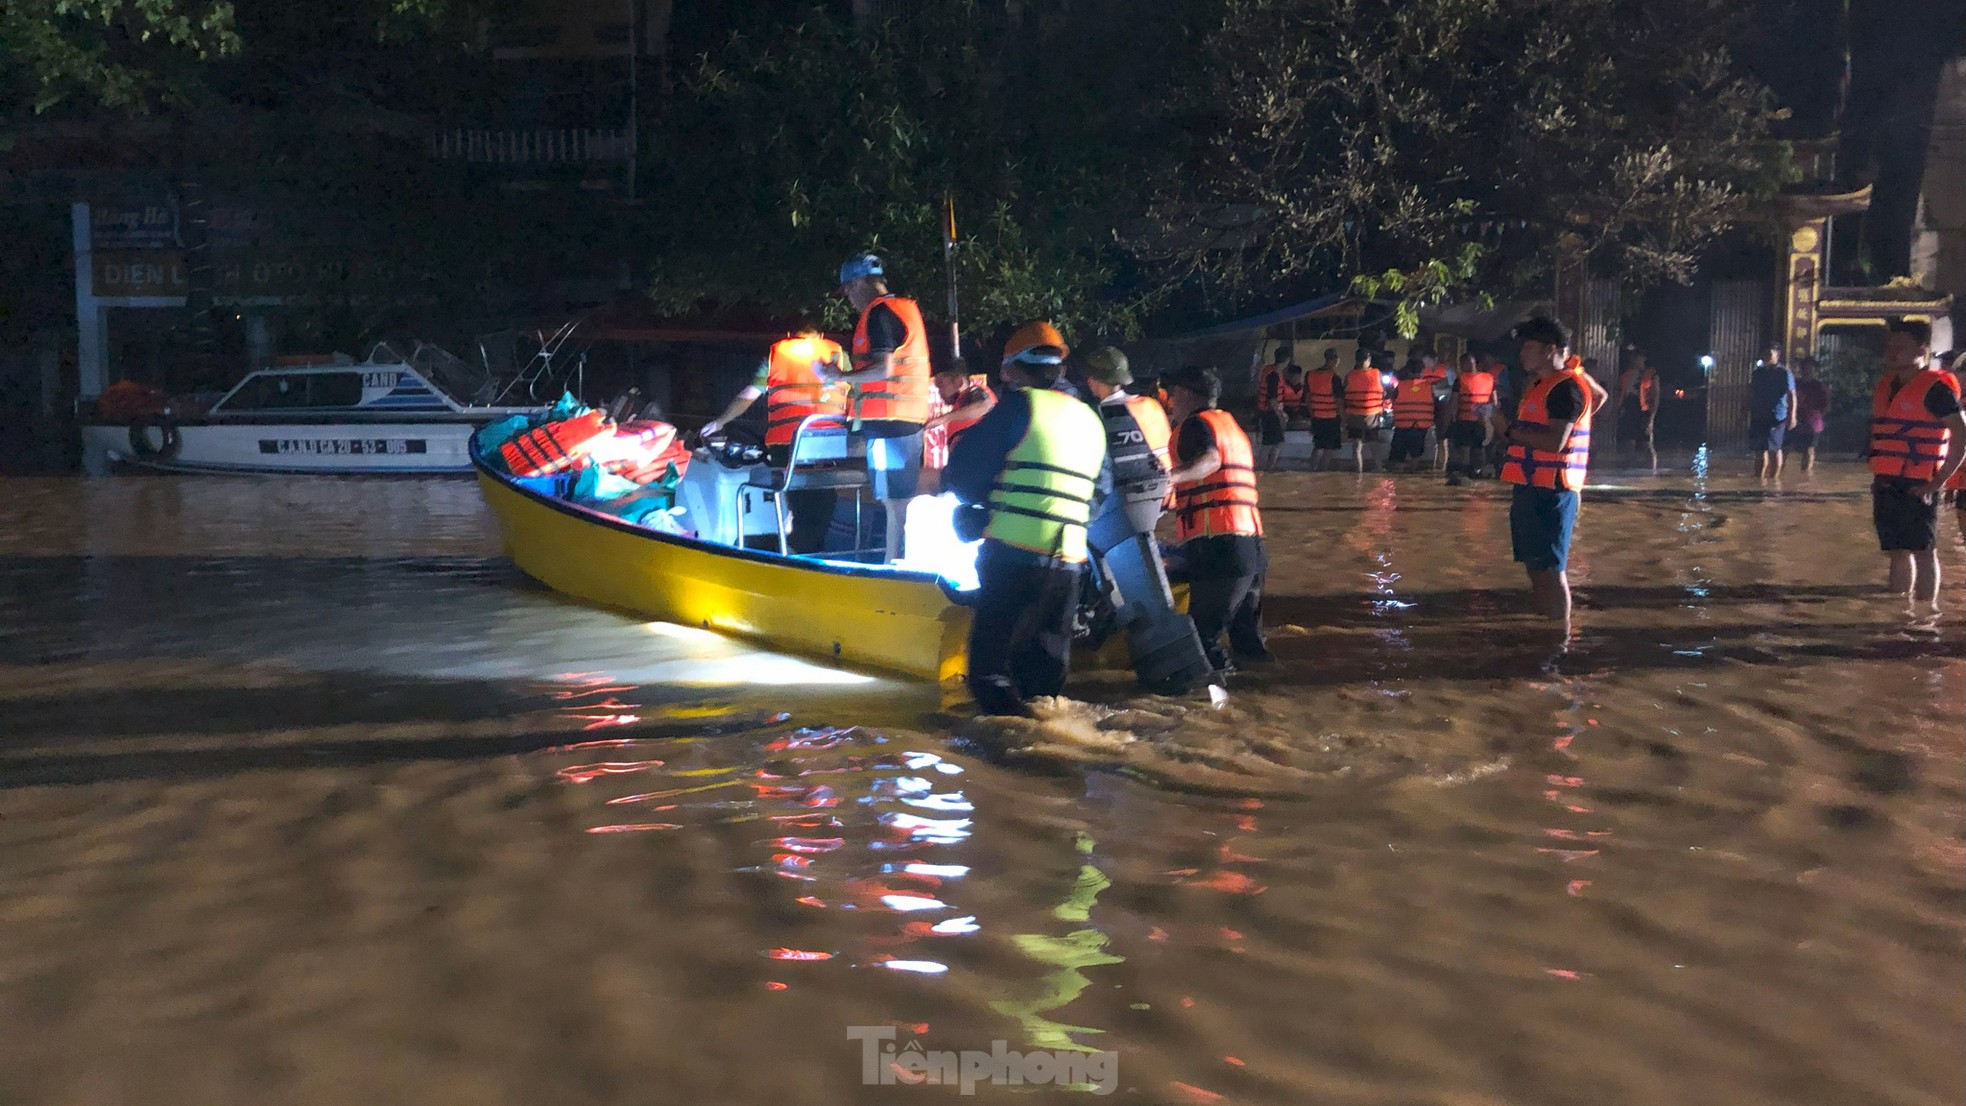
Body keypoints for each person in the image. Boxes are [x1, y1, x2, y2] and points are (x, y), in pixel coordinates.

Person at [943, 332, 1111, 716]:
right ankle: (1046, 760)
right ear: (1061, 369)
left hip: (1012, 560)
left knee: (990, 676)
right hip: (1068, 568)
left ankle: (1008, 758)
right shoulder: (1090, 417)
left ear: (1011, 368)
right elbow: (1098, 496)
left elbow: (965, 473)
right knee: (1044, 686)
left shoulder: (1018, 407)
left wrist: (985, 509)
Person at [1080, 347, 1213, 691]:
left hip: (1120, 507)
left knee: (1100, 559)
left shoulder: (1102, 414)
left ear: (1095, 381)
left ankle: (1158, 656)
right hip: (1158, 502)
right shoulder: (1152, 406)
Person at [1492, 317, 1609, 637]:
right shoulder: (1541, 385)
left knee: (1551, 571)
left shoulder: (1566, 388)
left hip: (1554, 491)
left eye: (1529, 347)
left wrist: (1508, 430)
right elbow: (1599, 398)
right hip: (1530, 486)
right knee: (1535, 566)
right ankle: (1548, 631)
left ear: (1550, 350)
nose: (1522, 353)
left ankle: (1558, 639)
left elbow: (1555, 443)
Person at [818, 252, 933, 562]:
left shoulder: (879, 314)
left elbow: (883, 369)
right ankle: (902, 563)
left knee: (893, 504)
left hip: (887, 424)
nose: (850, 301)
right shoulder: (905, 310)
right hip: (907, 420)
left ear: (857, 283)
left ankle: (894, 569)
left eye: (848, 292)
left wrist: (840, 376)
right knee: (901, 501)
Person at [1162, 366, 1270, 677]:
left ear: (1184, 394)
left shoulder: (1196, 425)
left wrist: (1167, 479)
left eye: (1171, 395)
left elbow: (1210, 460)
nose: (1170, 402)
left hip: (1219, 547)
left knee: (1202, 640)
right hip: (1251, 549)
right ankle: (1265, 700)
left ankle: (1214, 712)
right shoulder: (1230, 425)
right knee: (1248, 646)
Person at [700, 331, 849, 553]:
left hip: (787, 443)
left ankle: (797, 550)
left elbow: (750, 394)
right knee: (822, 500)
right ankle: (810, 549)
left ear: (791, 333)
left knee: (797, 500)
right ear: (819, 333)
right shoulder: (838, 353)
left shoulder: (777, 355)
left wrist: (720, 422)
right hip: (828, 443)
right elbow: (855, 391)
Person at [1867, 318, 1966, 615]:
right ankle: (1898, 616)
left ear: (1922, 349)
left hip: (1919, 483)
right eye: (1890, 346)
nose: (1892, 351)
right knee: (1896, 551)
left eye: (1901, 346)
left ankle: (1925, 620)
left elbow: (1961, 437)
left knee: (1923, 553)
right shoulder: (1887, 384)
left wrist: (1938, 484)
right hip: (1886, 481)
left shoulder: (1936, 389)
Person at [923, 361, 996, 468]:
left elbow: (985, 405)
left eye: (941, 385)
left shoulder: (973, 392)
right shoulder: (961, 409)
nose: (940, 392)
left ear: (958, 382)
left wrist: (943, 419)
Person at [1446, 351, 1495, 484]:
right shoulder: (1489, 378)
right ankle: (1478, 471)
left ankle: (1465, 472)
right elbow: (1494, 402)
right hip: (1482, 421)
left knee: (1465, 448)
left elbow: (1454, 401)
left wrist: (1451, 418)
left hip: (1465, 419)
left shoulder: (1460, 379)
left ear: (1464, 364)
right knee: (1480, 447)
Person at [1749, 344, 1797, 480]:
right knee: (1759, 449)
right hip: (1759, 414)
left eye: (1770, 354)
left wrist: (1792, 415)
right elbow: (1751, 392)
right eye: (1765, 354)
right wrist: (1745, 409)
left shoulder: (1784, 373)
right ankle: (1759, 479)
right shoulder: (1758, 373)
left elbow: (1791, 394)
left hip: (1777, 416)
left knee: (1774, 448)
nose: (1767, 357)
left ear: (1777, 355)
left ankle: (1774, 479)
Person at [1254, 344, 1303, 471]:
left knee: (1274, 443)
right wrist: (1282, 415)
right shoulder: (1274, 375)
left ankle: (1266, 469)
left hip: (1268, 413)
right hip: (1271, 414)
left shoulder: (1269, 370)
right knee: (1270, 444)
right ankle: (1265, 470)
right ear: (1286, 360)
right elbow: (1273, 400)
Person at [1343, 348, 1391, 472]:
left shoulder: (1349, 375)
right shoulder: (1376, 373)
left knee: (1357, 446)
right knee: (1373, 443)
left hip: (1354, 415)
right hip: (1372, 415)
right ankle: (1379, 467)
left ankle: (1358, 472)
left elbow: (1344, 394)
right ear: (1368, 360)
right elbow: (1385, 392)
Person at [1616, 349, 1661, 471]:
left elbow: (1655, 396)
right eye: (1633, 358)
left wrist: (1651, 417)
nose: (1634, 361)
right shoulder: (1626, 375)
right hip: (1629, 409)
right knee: (1628, 441)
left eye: (1637, 358)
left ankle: (1652, 471)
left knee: (1647, 442)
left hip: (1643, 411)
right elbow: (1621, 394)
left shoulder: (1651, 374)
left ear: (1643, 359)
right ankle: (1628, 469)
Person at [1301, 348, 1345, 470]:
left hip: (1316, 416)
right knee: (1328, 449)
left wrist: (1312, 413)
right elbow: (1339, 401)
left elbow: (1308, 397)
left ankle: (1311, 471)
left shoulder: (1310, 375)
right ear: (1335, 360)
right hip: (1331, 417)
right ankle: (1323, 473)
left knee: (1318, 446)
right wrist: (1342, 419)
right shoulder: (1335, 378)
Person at [1388, 359, 1436, 472]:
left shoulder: (1400, 386)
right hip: (1420, 427)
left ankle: (1400, 479)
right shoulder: (1428, 386)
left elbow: (1392, 400)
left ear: (1408, 371)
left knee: (1398, 458)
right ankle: (1411, 477)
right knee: (1416, 457)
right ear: (1422, 371)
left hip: (1402, 426)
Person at [1789, 357, 1829, 474]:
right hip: (1795, 419)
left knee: (1809, 449)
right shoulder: (1795, 384)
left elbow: (1826, 405)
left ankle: (1805, 475)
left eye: (1810, 367)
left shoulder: (1819, 386)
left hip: (1813, 421)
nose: (1807, 370)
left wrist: (1817, 416)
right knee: (1785, 448)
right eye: (1805, 367)